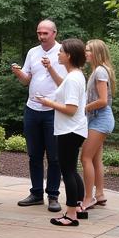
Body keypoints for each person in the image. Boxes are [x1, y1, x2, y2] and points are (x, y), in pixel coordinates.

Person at [34, 38, 89, 227]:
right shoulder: (74, 75)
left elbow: (71, 108)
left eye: (61, 52)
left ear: (69, 55)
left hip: (70, 130)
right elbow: (62, 85)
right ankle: (79, 207)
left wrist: (47, 103)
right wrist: (50, 69)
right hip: (74, 129)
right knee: (72, 170)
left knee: (68, 171)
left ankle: (71, 214)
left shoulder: (73, 79)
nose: (58, 53)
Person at [10, 19, 64, 212]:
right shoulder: (33, 52)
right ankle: (36, 193)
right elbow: (26, 81)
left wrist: (51, 67)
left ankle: (53, 196)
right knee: (34, 155)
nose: (41, 37)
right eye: (39, 33)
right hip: (32, 109)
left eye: (45, 33)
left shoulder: (62, 53)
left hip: (53, 110)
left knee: (54, 156)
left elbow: (65, 84)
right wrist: (18, 72)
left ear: (54, 33)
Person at [81, 39, 116, 210]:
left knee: (85, 158)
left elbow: (102, 101)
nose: (86, 53)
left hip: (100, 119)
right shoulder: (98, 70)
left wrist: (84, 108)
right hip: (97, 119)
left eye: (88, 50)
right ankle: (100, 194)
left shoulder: (100, 71)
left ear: (97, 52)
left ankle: (89, 198)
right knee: (95, 159)